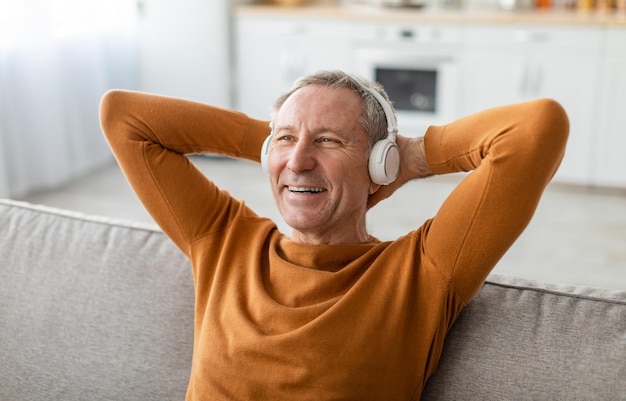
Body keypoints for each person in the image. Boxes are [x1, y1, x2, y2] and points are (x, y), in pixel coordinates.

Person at [99, 70, 569, 400]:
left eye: (328, 141)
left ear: (376, 163)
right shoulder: (224, 241)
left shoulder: (422, 271)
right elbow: (123, 115)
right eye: (285, 140)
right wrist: (270, 144)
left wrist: (413, 156)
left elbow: (536, 127)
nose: (299, 161)